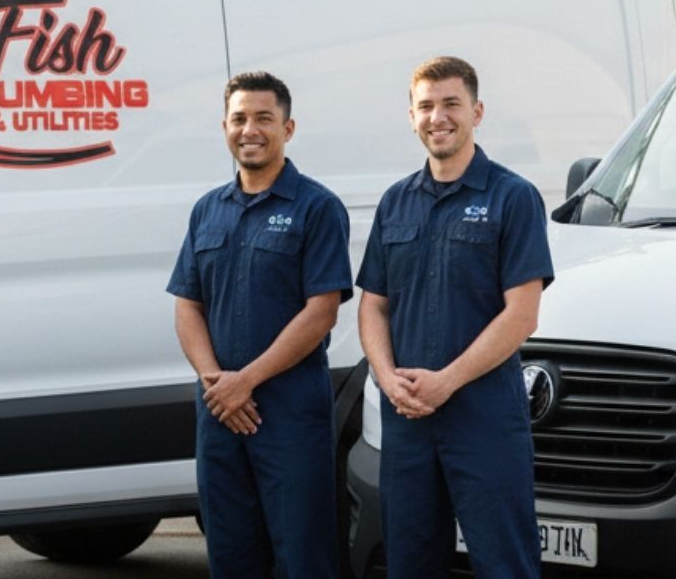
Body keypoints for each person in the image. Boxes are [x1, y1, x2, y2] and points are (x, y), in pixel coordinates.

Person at [356, 56, 553, 578]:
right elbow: (373, 303)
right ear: (411, 115)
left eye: (450, 104)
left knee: (503, 561)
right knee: (410, 561)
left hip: (483, 417)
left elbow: (522, 315)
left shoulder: (513, 198)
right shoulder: (395, 202)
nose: (437, 117)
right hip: (409, 419)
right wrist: (385, 379)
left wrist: (447, 382)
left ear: (477, 111)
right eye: (425, 106)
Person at [167, 71, 352, 578]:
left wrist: (244, 382)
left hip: (289, 413)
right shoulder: (208, 211)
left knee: (302, 554)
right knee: (230, 553)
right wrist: (216, 383)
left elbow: (322, 311)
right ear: (225, 127)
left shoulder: (317, 208)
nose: (250, 129)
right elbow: (187, 305)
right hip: (219, 415)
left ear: (288, 129)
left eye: (264, 118)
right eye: (239, 118)